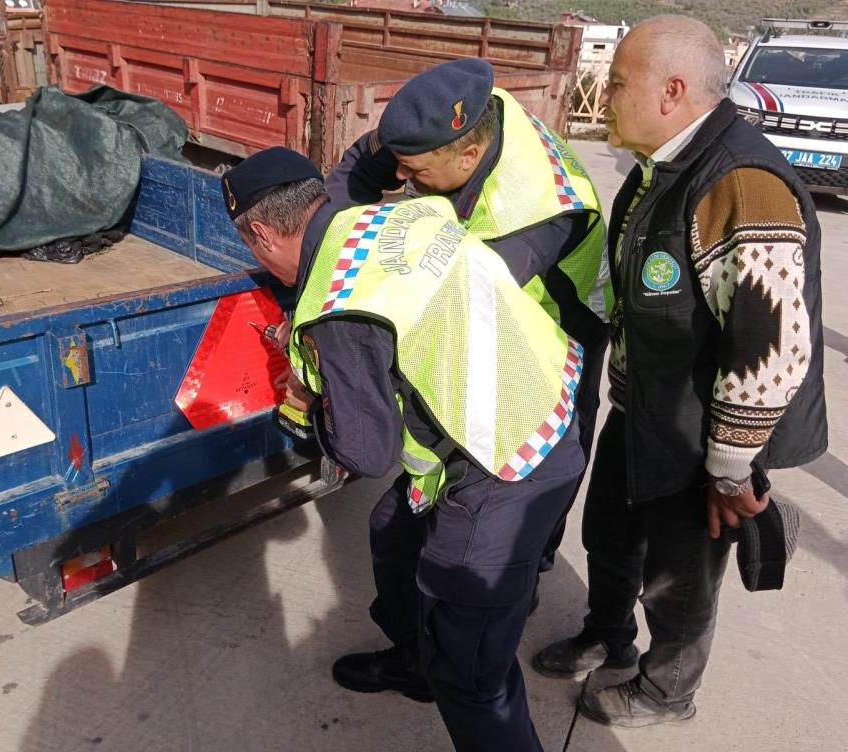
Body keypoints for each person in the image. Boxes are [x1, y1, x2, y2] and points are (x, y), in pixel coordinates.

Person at [221, 146, 586, 751]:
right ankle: (416, 664)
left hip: (507, 463)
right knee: (394, 529)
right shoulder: (394, 217)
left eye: (251, 247)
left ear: (261, 233)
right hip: (541, 404)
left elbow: (365, 453)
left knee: (471, 675)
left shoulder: (334, 307)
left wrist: (313, 402)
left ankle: (443, 670)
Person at [531, 15, 827, 727]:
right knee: (608, 536)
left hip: (700, 434)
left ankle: (666, 693)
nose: (603, 97)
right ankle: (608, 639)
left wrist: (729, 465)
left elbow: (773, 346)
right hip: (643, 411)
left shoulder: (740, 183)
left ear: (670, 90)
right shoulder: (658, 170)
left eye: (619, 83)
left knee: (680, 579)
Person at [326, 58, 611, 577]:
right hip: (491, 279)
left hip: (560, 329)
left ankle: (524, 561)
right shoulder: (448, 124)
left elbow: (448, 300)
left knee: (542, 455)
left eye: (414, 174)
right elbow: (361, 168)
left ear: (469, 157)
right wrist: (323, 246)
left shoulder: (535, 216)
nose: (400, 179)